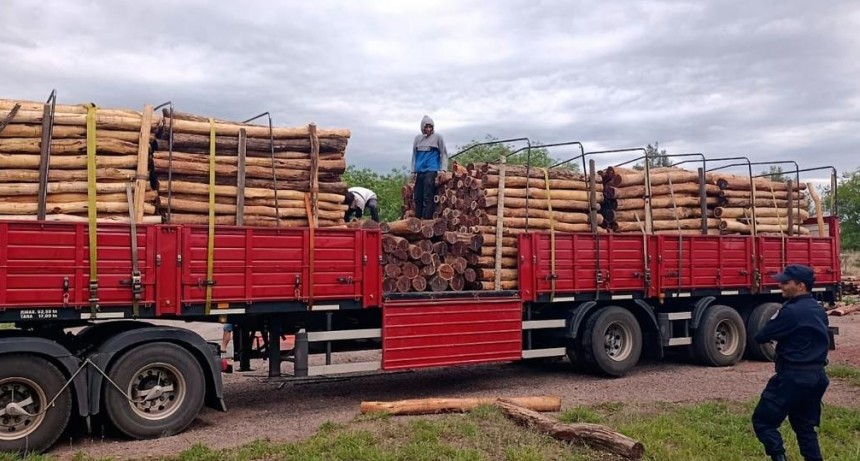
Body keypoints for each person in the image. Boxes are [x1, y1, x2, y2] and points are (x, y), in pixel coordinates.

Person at [752, 264, 830, 461]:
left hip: (793, 377)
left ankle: (779, 457)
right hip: (817, 377)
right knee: (805, 427)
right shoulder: (817, 309)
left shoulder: (791, 312)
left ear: (801, 286)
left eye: (786, 283)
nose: (781, 286)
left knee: (763, 422)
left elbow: (762, 335)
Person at [411, 115, 448, 219]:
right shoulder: (418, 139)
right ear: (422, 127)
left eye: (430, 127)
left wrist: (443, 169)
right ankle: (417, 220)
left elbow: (444, 154)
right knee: (418, 197)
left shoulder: (438, 138)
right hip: (420, 171)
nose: (428, 129)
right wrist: (413, 171)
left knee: (428, 195)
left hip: (431, 169)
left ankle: (427, 220)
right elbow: (414, 155)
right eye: (426, 127)